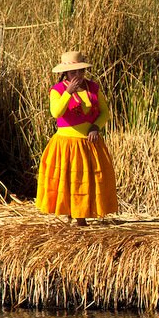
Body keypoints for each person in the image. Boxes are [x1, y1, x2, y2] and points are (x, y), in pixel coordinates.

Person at [35, 51, 118, 226]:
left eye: (81, 71)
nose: (78, 75)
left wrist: (96, 127)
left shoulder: (93, 88)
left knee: (85, 180)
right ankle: (72, 214)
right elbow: (56, 112)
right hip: (66, 144)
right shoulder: (57, 91)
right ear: (65, 74)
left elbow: (104, 112)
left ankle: (81, 216)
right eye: (73, 72)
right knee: (68, 180)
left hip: (89, 142)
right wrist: (68, 93)